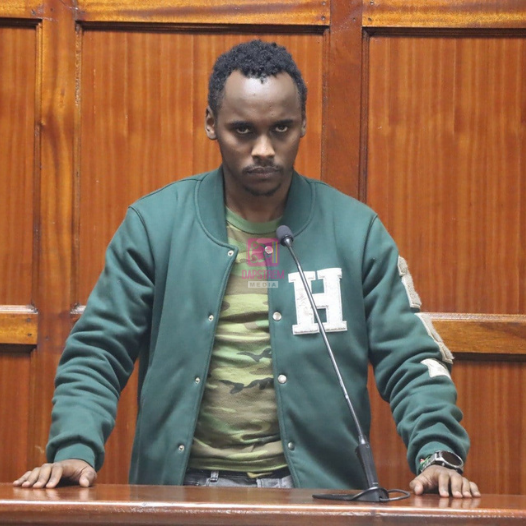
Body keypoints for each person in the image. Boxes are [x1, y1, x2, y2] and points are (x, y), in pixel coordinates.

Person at [14, 39, 479, 498]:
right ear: (211, 124)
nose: (263, 149)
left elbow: (410, 358)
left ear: (303, 123)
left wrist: (437, 453)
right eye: (243, 130)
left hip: (318, 494)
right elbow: (99, 350)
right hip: (181, 490)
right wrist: (75, 447)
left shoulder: (356, 232)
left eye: (281, 129)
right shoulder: (155, 225)